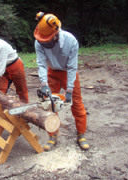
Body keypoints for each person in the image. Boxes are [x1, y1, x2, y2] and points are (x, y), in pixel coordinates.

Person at [34, 12, 89, 151]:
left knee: (76, 103)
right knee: (49, 104)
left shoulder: (71, 41)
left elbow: (72, 67)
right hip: (51, 72)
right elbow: (41, 64)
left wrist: (69, 90)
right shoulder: (39, 40)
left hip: (68, 72)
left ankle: (81, 134)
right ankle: (53, 135)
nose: (44, 43)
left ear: (56, 32)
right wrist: (44, 83)